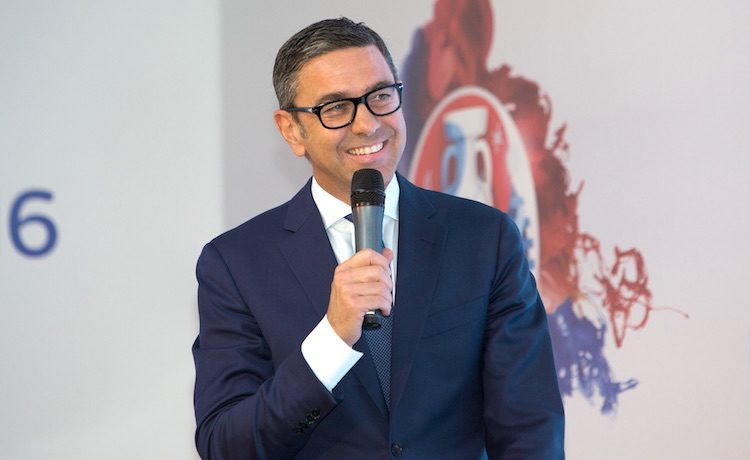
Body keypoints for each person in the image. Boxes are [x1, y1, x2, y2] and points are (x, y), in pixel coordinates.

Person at [192, 17, 564, 459]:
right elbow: (226, 445)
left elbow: (529, 425)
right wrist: (332, 338)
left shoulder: (484, 238)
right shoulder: (237, 264)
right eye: (336, 108)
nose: (367, 124)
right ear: (291, 130)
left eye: (381, 96)